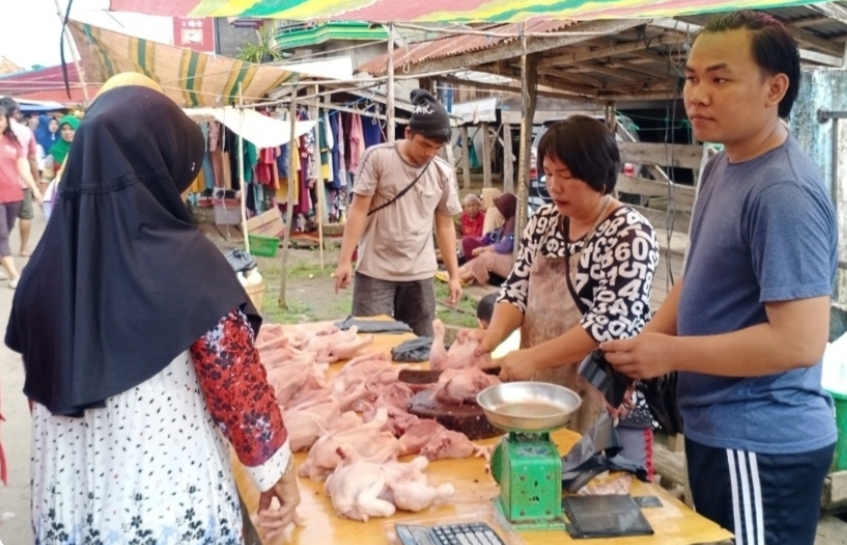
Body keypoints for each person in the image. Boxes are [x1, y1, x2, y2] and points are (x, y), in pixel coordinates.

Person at [5, 73, 303, 543]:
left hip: (67, 508)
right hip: (165, 508)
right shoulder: (188, 265)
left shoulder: (43, 270)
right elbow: (237, 388)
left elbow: (44, 387)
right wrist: (277, 473)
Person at [602, 11, 838, 545]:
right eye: (691, 78)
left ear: (774, 89)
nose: (698, 95)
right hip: (720, 428)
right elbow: (697, 279)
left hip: (760, 440)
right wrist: (642, 351)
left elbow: (799, 342)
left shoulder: (782, 192)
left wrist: (671, 354)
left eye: (720, 78)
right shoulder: (723, 164)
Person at [465, 116, 659, 466]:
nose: (554, 186)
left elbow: (606, 326)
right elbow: (517, 291)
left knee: (599, 489)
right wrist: (490, 338)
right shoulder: (543, 222)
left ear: (598, 174)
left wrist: (532, 358)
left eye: (566, 176)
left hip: (605, 399)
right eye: (548, 174)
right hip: (542, 395)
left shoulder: (631, 234)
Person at [334, 89, 463, 337]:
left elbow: (445, 225)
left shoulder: (442, 172)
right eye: (424, 144)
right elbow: (358, 210)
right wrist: (344, 261)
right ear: (408, 133)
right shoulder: (377, 158)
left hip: (420, 274)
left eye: (436, 148)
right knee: (370, 342)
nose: (429, 153)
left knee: (420, 344)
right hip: (375, 270)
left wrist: (454, 276)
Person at [0, 106, 43, 288]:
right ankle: (15, 276)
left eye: (0, 119)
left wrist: (35, 189)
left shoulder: (13, 141)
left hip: (14, 195)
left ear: (6, 121)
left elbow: (23, 167)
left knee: (6, 232)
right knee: (1, 235)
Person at [454, 192, 517, 286]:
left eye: (501, 208)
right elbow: (491, 237)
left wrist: (484, 249)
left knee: (486, 257)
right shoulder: (508, 221)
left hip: (511, 262)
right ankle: (456, 273)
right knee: (480, 257)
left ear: (507, 208)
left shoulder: (512, 222)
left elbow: (506, 246)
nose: (498, 211)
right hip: (502, 256)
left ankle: (466, 277)